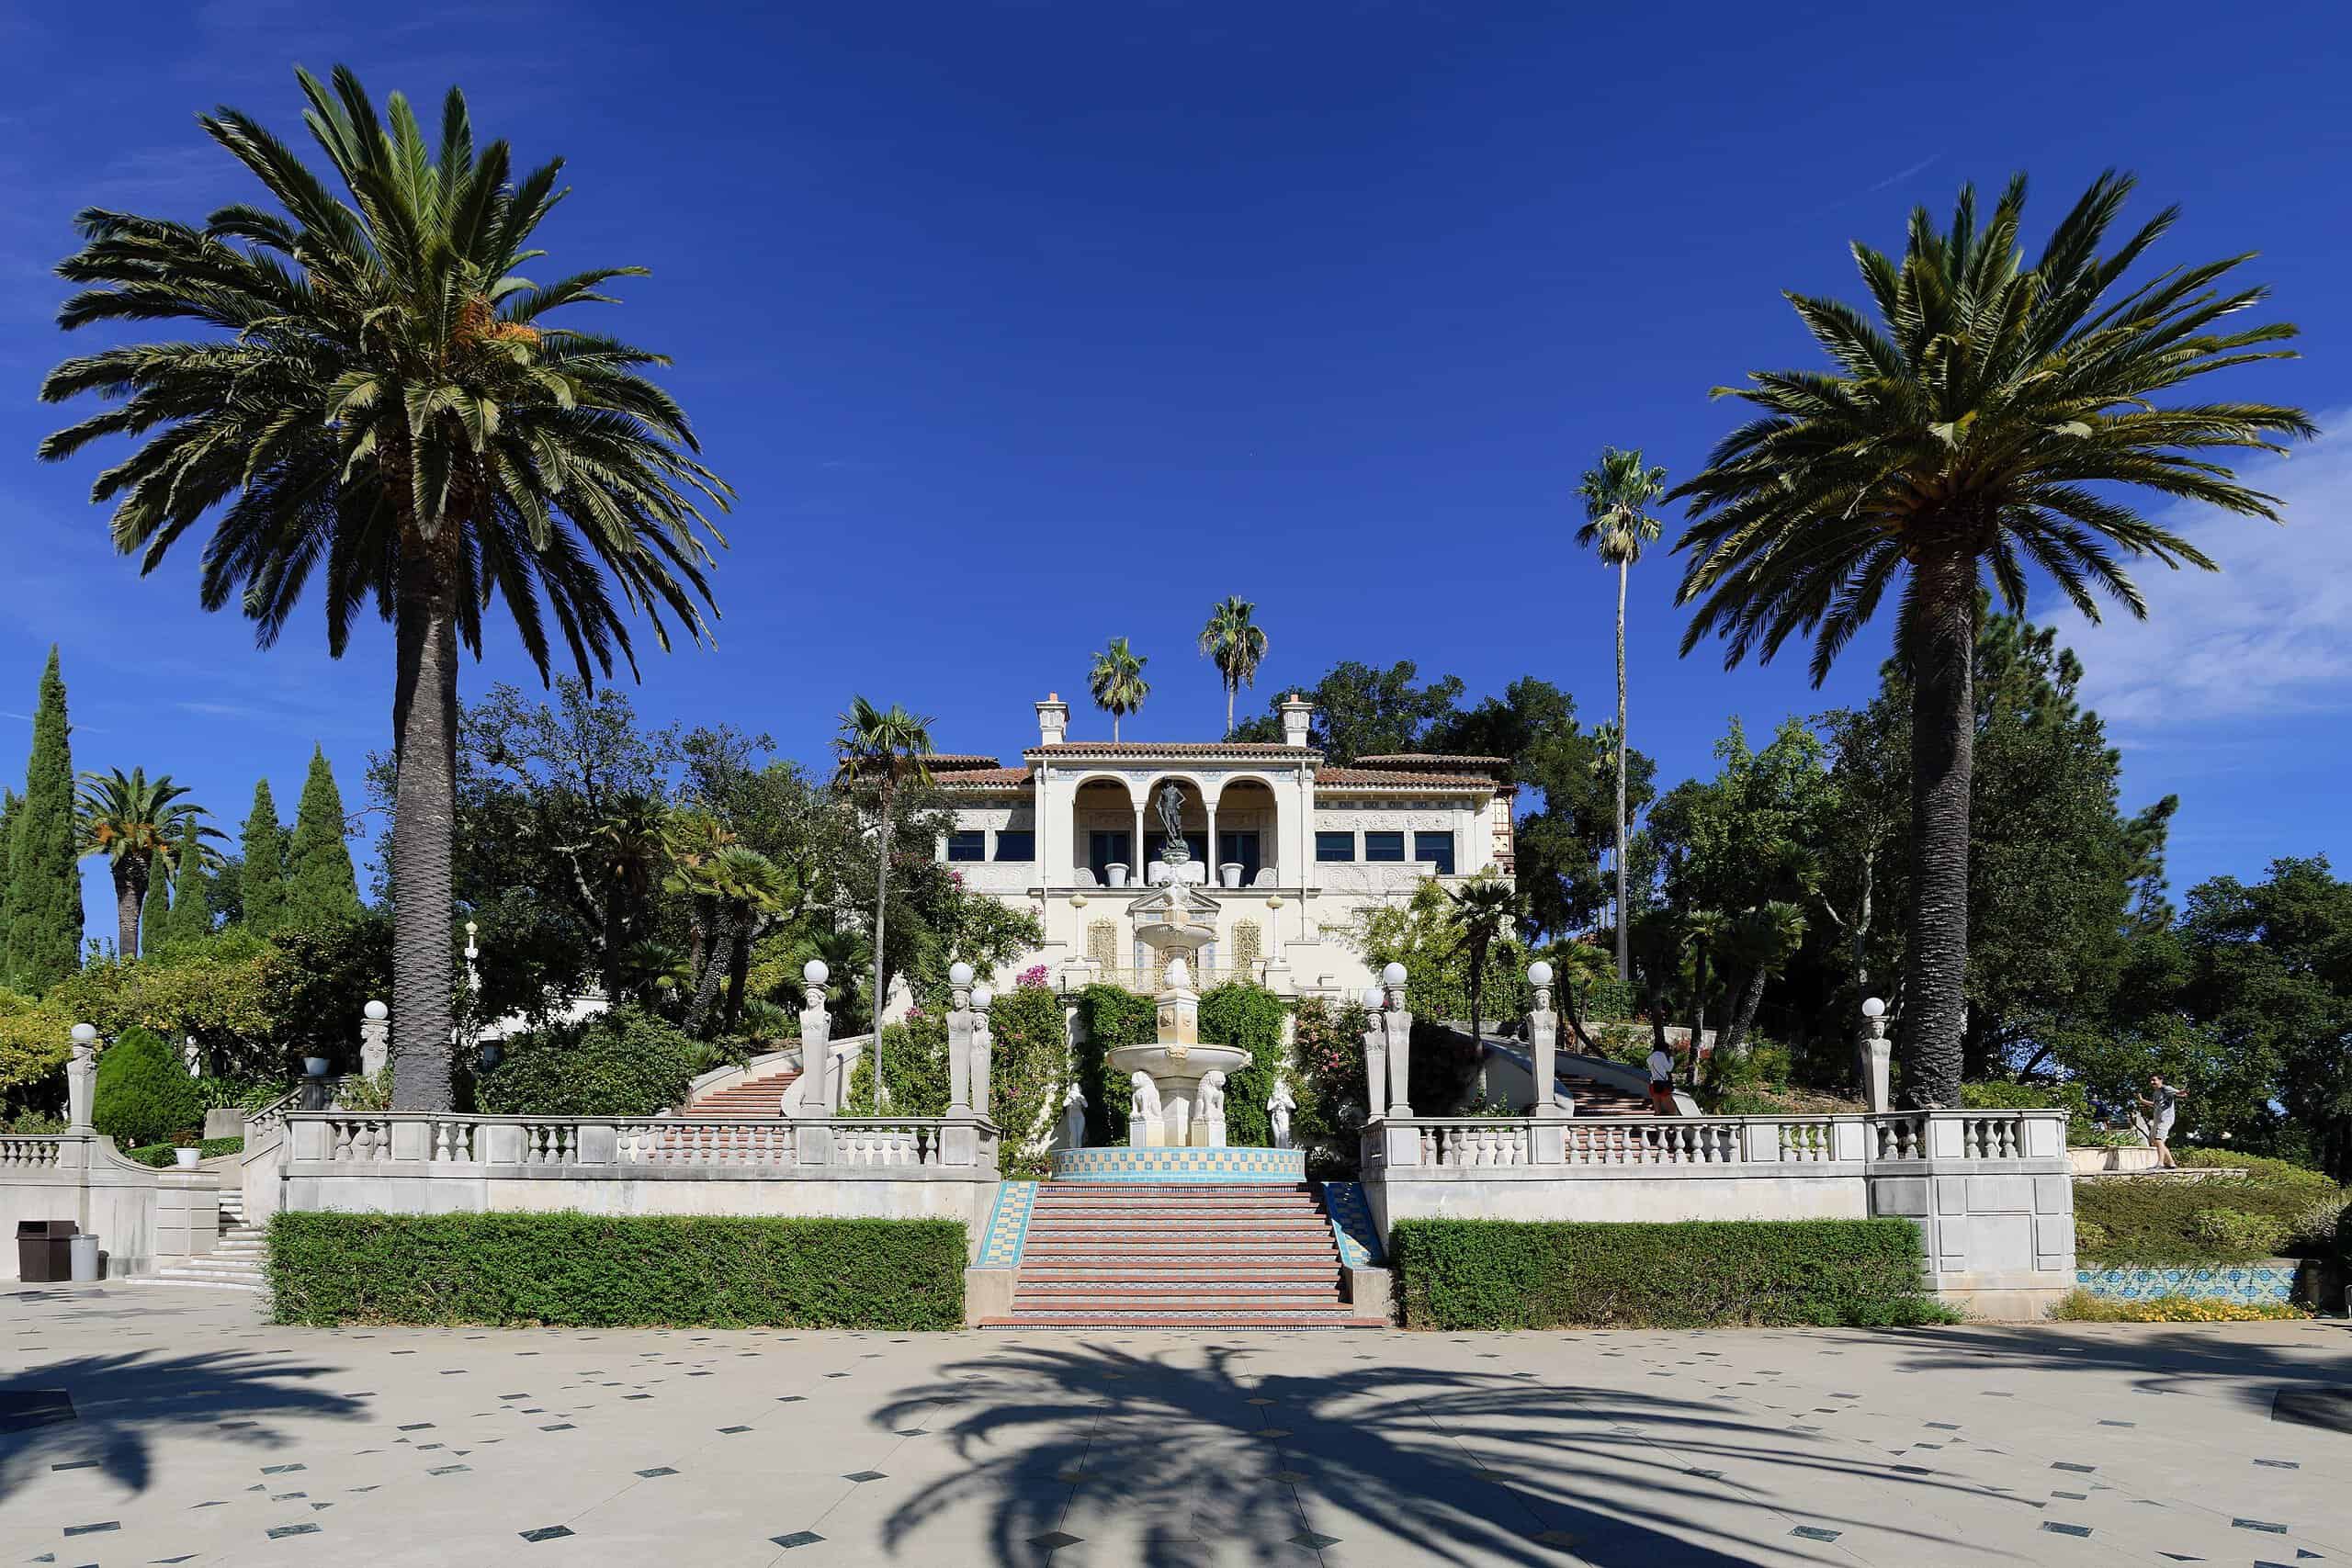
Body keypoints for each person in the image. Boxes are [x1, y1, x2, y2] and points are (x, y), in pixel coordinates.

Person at [2135, 1074, 2184, 1168]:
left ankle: (2160, 1163)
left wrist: (2182, 1092)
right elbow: (2155, 1105)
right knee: (2156, 1142)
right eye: (2151, 1081)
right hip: (2157, 1119)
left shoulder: (2166, 1089)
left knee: (2159, 1139)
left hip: (2166, 1119)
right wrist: (2141, 1100)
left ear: (2161, 1080)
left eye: (2154, 1080)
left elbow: (2178, 1093)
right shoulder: (2156, 1093)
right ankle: (2171, 1163)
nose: (2152, 1082)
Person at [1646, 1042, 1678, 1116]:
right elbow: (1669, 1068)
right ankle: (1672, 1125)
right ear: (1664, 1049)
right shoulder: (1661, 1055)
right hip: (1663, 1084)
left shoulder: (1650, 1057)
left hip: (1653, 1084)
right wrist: (1671, 1057)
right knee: (1672, 1110)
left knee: (1657, 1110)